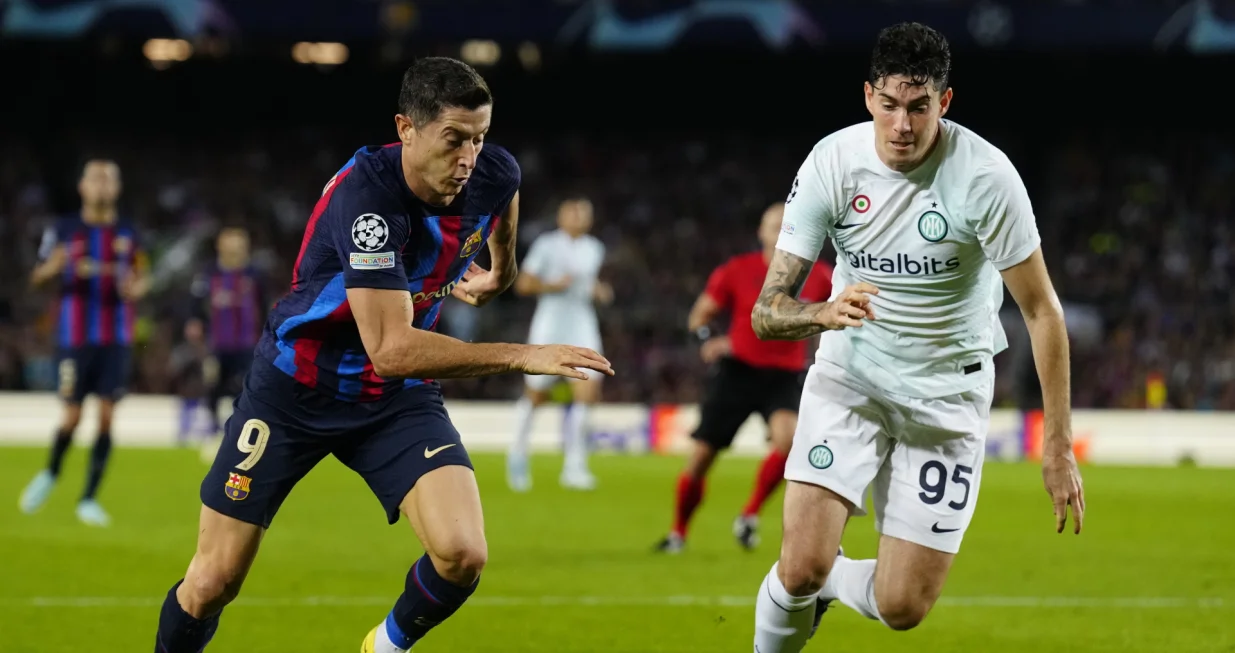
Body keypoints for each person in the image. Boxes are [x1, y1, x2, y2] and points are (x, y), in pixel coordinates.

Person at [150, 57, 613, 653]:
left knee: (462, 555)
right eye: (453, 140)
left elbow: (506, 190)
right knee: (212, 582)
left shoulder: (492, 171)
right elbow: (392, 349)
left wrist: (502, 271)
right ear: (406, 129)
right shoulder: (368, 203)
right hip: (296, 388)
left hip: (391, 399)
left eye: (478, 137)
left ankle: (383, 648)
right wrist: (524, 354)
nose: (469, 157)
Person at [749, 23, 1085, 652]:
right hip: (851, 375)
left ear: (944, 102)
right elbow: (766, 312)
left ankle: (832, 591)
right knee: (799, 568)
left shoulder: (986, 178)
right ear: (869, 95)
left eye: (919, 107)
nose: (902, 124)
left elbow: (1042, 312)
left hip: (946, 393)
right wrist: (821, 314)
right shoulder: (832, 163)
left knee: (903, 606)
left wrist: (1057, 445)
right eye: (890, 104)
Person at [654, 202, 831, 553]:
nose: (781, 231)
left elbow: (835, 319)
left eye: (788, 225)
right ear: (761, 233)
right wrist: (710, 340)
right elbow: (699, 316)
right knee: (702, 457)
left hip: (785, 375)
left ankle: (749, 515)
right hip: (738, 372)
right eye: (774, 225)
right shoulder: (737, 270)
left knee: (789, 441)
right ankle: (678, 533)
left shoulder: (822, 276)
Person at [18, 159, 149, 527]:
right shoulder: (63, 229)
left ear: (118, 189)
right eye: (96, 177)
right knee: (73, 416)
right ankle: (50, 473)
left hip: (117, 337)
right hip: (74, 337)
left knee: (107, 417)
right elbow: (36, 278)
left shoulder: (129, 232)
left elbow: (142, 276)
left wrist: (136, 287)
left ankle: (88, 498)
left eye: (110, 178)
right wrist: (52, 268)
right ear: (82, 187)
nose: (103, 184)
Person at [506, 197, 613, 492]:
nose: (579, 217)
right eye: (574, 212)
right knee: (536, 395)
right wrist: (553, 285)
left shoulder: (595, 248)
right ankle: (517, 456)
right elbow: (524, 285)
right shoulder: (547, 244)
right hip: (550, 324)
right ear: (561, 216)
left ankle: (574, 467)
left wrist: (600, 291)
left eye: (584, 213)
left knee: (588, 390)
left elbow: (590, 283)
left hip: (582, 323)